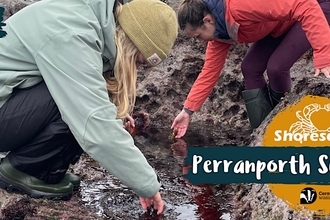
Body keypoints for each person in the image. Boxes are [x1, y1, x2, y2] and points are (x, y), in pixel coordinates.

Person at [0, 0, 178, 214]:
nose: (136, 68)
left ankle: (44, 169)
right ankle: (22, 169)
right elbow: (93, 121)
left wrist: (114, 113)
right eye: (138, 61)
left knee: (80, 98)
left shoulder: (92, 18)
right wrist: (147, 183)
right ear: (131, 42)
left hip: (9, 100)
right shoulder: (72, 33)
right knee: (76, 104)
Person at [171, 0, 330, 138]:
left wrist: (323, 53)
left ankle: (287, 123)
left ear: (207, 20)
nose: (200, 42)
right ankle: (262, 131)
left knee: (276, 67)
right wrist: (187, 111)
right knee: (250, 68)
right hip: (281, 22)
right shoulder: (219, 34)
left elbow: (305, 6)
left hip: (314, 8)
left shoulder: (241, 6)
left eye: (198, 36)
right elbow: (209, 73)